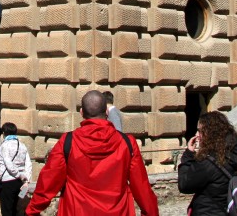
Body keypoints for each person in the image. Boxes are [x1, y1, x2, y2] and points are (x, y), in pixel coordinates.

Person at [27, 91, 156, 216]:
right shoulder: (127, 143)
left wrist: (31, 211)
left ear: (81, 113)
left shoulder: (68, 142)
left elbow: (47, 183)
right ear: (107, 112)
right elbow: (142, 188)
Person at [177, 111, 237, 216]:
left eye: (200, 131)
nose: (197, 135)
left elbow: (184, 184)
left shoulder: (209, 162)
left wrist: (188, 155)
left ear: (210, 133)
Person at [0, 122, 31, 216]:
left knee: (6, 210)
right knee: (16, 208)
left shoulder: (5, 145)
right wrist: (26, 180)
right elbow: (28, 164)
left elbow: (8, 164)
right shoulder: (22, 145)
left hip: (8, 181)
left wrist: (18, 175)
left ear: (4, 133)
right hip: (20, 183)